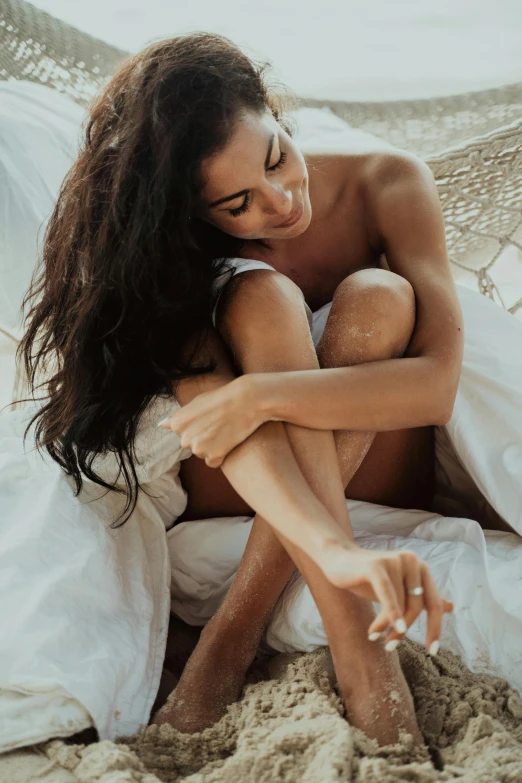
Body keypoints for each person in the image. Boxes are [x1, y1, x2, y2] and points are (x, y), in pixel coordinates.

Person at [16, 31, 469, 748]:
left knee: (381, 296)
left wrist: (265, 395)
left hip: (381, 453)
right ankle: (354, 650)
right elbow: (216, 420)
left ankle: (232, 632)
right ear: (197, 214)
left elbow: (437, 386)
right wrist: (331, 539)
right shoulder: (190, 260)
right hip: (247, 476)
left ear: (276, 112)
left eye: (277, 157)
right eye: (238, 205)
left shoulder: (390, 178)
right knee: (263, 299)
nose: (282, 202)